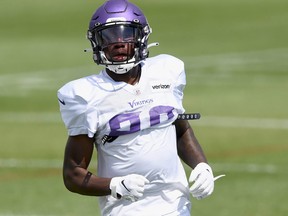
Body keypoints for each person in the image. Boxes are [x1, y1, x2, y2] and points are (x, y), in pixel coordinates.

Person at [57, 0, 223, 215]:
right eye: (109, 36)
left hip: (176, 204)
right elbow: (73, 175)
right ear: (96, 42)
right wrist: (114, 185)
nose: (118, 43)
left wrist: (202, 165)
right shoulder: (86, 95)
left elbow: (180, 129)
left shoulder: (167, 71)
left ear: (141, 38)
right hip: (127, 208)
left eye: (126, 35)